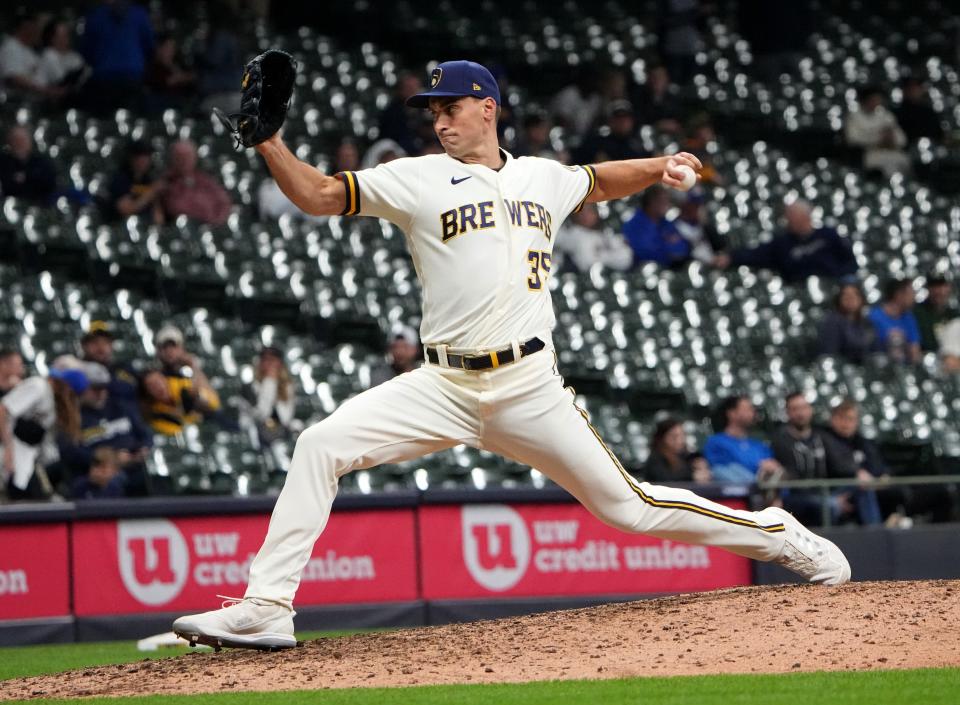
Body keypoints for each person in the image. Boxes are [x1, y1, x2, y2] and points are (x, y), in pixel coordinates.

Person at [173, 59, 849, 652]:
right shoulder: (417, 178)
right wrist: (270, 142)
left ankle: (774, 532)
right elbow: (320, 194)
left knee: (629, 506)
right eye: (433, 111)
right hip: (442, 382)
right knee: (321, 443)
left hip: (530, 385)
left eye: (452, 107)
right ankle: (267, 606)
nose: (441, 121)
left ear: (487, 107)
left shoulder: (540, 178)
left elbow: (596, 181)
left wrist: (657, 167)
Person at [58, 360, 152, 497]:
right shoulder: (73, 417)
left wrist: (142, 449)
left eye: (104, 388)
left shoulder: (120, 406)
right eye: (95, 388)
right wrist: (110, 460)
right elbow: (71, 452)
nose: (101, 393)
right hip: (96, 476)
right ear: (81, 388)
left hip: (134, 467)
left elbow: (145, 434)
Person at [0, 357, 88, 500]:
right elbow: (3, 410)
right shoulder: (38, 386)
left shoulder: (53, 403)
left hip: (26, 459)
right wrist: (9, 450)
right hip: (7, 451)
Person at [715, 200, 858, 282]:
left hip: (831, 284)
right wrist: (731, 257)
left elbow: (849, 260)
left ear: (805, 217)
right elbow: (757, 253)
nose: (788, 221)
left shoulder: (828, 235)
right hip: (799, 291)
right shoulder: (783, 243)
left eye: (792, 217)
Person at [820, 400, 888, 526]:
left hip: (866, 486)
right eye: (842, 418)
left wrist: (881, 476)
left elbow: (879, 469)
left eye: (851, 419)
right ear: (832, 419)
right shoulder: (824, 439)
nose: (846, 423)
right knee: (862, 488)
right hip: (833, 489)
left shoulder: (861, 441)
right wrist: (857, 472)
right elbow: (838, 466)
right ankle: (876, 532)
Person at [80, 0, 155, 115]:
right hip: (131, 77)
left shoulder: (95, 16)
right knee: (130, 119)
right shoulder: (139, 14)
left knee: (105, 122)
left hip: (104, 79)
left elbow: (87, 51)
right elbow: (149, 46)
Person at [147, 325, 223, 434]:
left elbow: (214, 404)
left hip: (196, 430)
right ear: (158, 351)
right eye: (165, 347)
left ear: (182, 348)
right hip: (169, 431)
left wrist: (193, 366)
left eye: (173, 346)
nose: (169, 351)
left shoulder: (190, 374)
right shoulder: (154, 378)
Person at [704, 396, 785, 485]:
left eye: (753, 409)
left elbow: (774, 469)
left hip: (764, 495)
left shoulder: (759, 445)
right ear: (731, 413)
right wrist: (758, 466)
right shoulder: (716, 443)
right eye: (747, 409)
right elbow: (720, 470)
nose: (753, 413)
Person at [844, 85, 911, 178]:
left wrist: (891, 139)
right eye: (873, 99)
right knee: (885, 166)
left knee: (903, 161)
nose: (876, 102)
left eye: (878, 99)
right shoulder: (854, 116)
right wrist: (878, 138)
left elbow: (902, 139)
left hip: (892, 151)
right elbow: (852, 138)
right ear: (865, 100)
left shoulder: (886, 115)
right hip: (870, 153)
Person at [160, 140, 232, 225]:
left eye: (188, 157)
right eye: (180, 158)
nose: (184, 161)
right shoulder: (167, 182)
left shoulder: (204, 179)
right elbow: (175, 207)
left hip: (209, 227)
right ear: (173, 159)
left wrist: (216, 221)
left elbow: (224, 201)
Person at [553, 202, 633, 273]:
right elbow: (587, 263)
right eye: (579, 211)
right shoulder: (572, 233)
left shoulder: (609, 232)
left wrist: (601, 255)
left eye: (589, 210)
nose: (584, 215)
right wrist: (608, 256)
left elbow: (626, 259)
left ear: (597, 212)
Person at [621, 186, 689, 268]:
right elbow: (646, 253)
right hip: (643, 272)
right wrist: (668, 246)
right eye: (662, 201)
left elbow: (683, 248)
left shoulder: (666, 222)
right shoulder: (634, 224)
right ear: (651, 202)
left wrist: (663, 246)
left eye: (667, 200)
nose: (667, 204)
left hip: (671, 268)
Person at [80, 321, 141, 410]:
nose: (100, 347)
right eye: (95, 342)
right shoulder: (78, 371)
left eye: (105, 342)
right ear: (84, 346)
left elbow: (134, 390)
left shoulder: (123, 368)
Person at [0, 13, 58, 101]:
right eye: (35, 28)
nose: (38, 31)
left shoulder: (29, 50)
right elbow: (14, 79)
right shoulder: (11, 47)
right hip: (15, 103)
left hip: (35, 101)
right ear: (26, 28)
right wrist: (45, 90)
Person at [103, 140, 165, 223]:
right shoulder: (121, 179)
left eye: (147, 157)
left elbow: (157, 214)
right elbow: (126, 209)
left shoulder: (148, 180)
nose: (144, 161)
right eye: (140, 157)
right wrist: (151, 193)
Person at [816, 283, 878, 364]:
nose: (850, 299)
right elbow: (830, 355)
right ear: (839, 299)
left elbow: (875, 351)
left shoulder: (866, 322)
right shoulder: (832, 322)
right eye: (845, 295)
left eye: (855, 295)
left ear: (861, 299)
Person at [573, 100, 648, 165]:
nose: (622, 122)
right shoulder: (597, 143)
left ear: (632, 121)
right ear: (610, 121)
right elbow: (578, 163)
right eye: (618, 118)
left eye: (625, 118)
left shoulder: (639, 146)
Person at [867, 278, 922, 364]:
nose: (914, 297)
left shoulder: (909, 318)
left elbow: (915, 350)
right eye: (911, 293)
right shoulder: (874, 317)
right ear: (898, 295)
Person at [247, 346, 295, 443]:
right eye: (265, 360)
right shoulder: (251, 387)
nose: (269, 364)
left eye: (273, 360)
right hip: (258, 434)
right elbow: (262, 414)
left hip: (281, 434)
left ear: (280, 364)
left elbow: (286, 418)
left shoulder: (287, 386)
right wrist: (269, 382)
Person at [643, 418, 711, 484]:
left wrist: (699, 467)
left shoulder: (683, 457)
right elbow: (666, 482)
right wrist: (692, 477)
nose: (680, 441)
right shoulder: (655, 459)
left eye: (682, 435)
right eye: (674, 437)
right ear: (661, 438)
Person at [0, 125, 58, 204]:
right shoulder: (4, 163)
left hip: (39, 205)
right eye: (16, 140)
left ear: (29, 141)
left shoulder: (41, 162)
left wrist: (27, 177)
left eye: (22, 140)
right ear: (10, 142)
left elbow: (49, 183)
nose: (19, 144)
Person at [670, 188, 725, 265]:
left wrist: (706, 225)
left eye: (698, 205)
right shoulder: (675, 226)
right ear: (685, 205)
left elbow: (721, 245)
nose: (698, 208)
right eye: (694, 205)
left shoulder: (702, 224)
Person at [144, 33, 196, 112]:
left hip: (181, 102)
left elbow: (192, 76)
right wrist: (179, 78)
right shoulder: (153, 67)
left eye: (172, 47)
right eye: (168, 47)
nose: (171, 50)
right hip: (162, 105)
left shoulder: (178, 63)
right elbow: (164, 82)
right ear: (160, 49)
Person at [377, 71, 426, 155]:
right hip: (398, 153)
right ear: (401, 90)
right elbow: (388, 141)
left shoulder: (427, 109)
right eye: (409, 88)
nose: (413, 91)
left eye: (415, 87)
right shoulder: (391, 113)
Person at [37, 18, 89, 96]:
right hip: (45, 99)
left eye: (66, 35)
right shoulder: (49, 54)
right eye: (61, 36)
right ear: (52, 38)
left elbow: (85, 77)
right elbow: (60, 80)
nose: (65, 39)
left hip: (70, 97)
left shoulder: (74, 56)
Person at [632, 64, 684, 135]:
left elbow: (680, 121)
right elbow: (637, 122)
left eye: (660, 77)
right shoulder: (639, 98)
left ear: (666, 79)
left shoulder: (675, 100)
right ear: (648, 79)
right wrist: (657, 125)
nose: (657, 80)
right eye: (653, 77)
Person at [913, 275, 958, 353]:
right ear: (928, 289)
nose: (938, 291)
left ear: (949, 288)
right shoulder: (917, 313)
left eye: (942, 286)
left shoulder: (955, 315)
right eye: (934, 287)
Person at [895, 77, 944, 144]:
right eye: (910, 88)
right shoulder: (897, 113)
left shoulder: (929, 112)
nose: (913, 91)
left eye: (916, 88)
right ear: (904, 90)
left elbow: (938, 135)